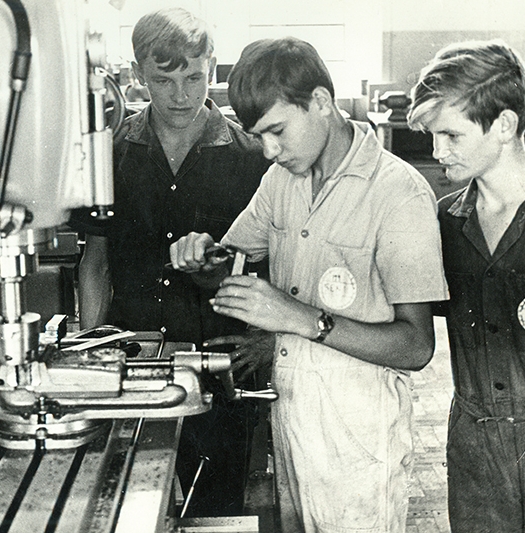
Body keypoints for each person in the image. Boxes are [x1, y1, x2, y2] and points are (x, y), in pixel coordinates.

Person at [169, 37, 448, 533]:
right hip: (291, 418)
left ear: (320, 101)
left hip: (359, 437)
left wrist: (297, 318)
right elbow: (229, 267)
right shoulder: (282, 180)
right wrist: (201, 261)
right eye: (259, 137)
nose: (270, 151)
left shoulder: (397, 194)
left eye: (277, 131)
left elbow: (416, 346)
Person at [67, 8, 272, 517]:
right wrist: (91, 351)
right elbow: (96, 262)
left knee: (216, 509)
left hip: (222, 368)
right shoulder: (109, 155)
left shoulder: (253, 158)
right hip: (132, 365)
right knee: (125, 505)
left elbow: (279, 266)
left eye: (194, 78)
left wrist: (265, 340)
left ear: (213, 68)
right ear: (139, 75)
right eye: (163, 81)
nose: (181, 95)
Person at [407, 39, 525, 533]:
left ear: (505, 125)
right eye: (433, 135)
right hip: (476, 464)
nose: (437, 151)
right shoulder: (444, 225)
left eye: (451, 135)